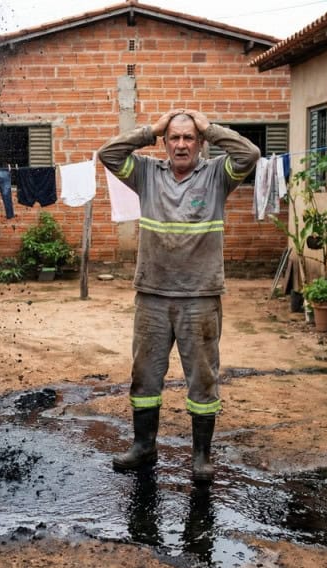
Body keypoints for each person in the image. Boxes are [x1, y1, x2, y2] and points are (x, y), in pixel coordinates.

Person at [98, 109, 260, 483]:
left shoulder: (218, 175)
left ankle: (201, 456)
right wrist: (149, 131)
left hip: (200, 296)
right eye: (174, 138)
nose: (182, 145)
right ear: (165, 143)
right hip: (152, 295)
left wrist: (211, 128)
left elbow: (249, 155)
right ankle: (144, 446)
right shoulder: (146, 174)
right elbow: (108, 154)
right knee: (144, 377)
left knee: (202, 378)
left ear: (200, 143)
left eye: (189, 138)